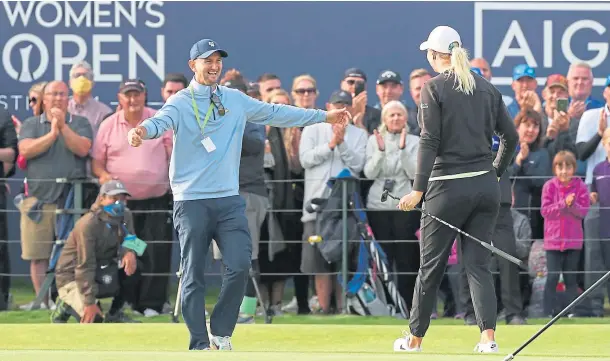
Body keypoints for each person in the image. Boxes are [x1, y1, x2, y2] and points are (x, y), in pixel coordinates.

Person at [127, 38, 351, 351]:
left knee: (240, 264)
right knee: (192, 274)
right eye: (207, 60)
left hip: (229, 200)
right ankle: (199, 342)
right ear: (194, 66)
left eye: (217, 60)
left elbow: (276, 112)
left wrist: (323, 117)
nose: (214, 65)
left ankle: (220, 331)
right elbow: (158, 122)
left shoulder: (235, 98)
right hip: (191, 201)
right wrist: (141, 131)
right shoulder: (180, 101)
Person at [394, 25, 519, 353]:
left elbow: (429, 140)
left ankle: (414, 339)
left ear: (436, 56)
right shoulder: (487, 88)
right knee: (478, 265)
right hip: (484, 188)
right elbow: (512, 138)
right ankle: (488, 339)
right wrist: (494, 173)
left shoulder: (432, 88)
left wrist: (417, 191)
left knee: (431, 267)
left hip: (446, 190)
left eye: (429, 55)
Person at [52, 180, 141, 323]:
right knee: (95, 319)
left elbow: (134, 241)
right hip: (73, 275)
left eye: (122, 199)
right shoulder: (87, 224)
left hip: (102, 268)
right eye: (114, 198)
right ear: (102, 198)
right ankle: (65, 304)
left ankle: (115, 312)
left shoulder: (126, 215)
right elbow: (85, 265)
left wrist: (130, 251)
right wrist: (89, 302)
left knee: (137, 265)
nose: (119, 203)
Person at [540, 150, 589, 317]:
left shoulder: (581, 187)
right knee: (552, 277)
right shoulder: (549, 186)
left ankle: (570, 312)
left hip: (573, 241)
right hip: (553, 241)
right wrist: (563, 203)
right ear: (554, 169)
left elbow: (583, 212)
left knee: (570, 278)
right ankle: (547, 312)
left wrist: (572, 205)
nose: (564, 171)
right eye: (560, 167)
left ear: (574, 168)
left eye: (568, 167)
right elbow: (545, 211)